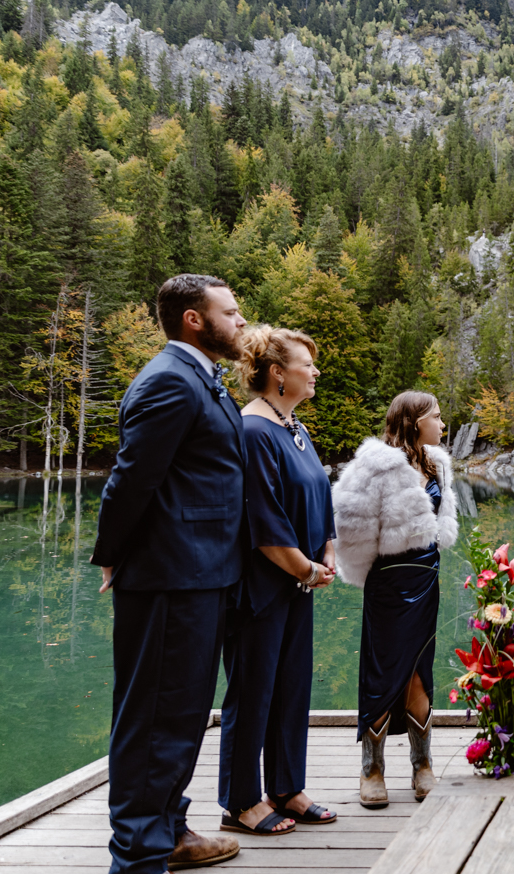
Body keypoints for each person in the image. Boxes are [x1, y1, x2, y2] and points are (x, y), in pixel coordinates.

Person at [91, 274, 247, 874]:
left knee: (179, 715)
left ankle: (170, 829)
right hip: (167, 579)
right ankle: (137, 854)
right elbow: (131, 481)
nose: (240, 322)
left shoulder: (200, 379)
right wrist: (112, 553)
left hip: (201, 575)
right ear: (193, 320)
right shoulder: (167, 383)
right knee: (155, 718)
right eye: (229, 313)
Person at [217, 326, 337, 836]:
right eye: (306, 364)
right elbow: (262, 519)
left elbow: (319, 496)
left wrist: (326, 550)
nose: (314, 372)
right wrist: (304, 566)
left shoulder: (294, 427)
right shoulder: (252, 430)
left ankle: (286, 787)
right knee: (253, 691)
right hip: (261, 588)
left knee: (292, 687)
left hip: (299, 583)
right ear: (276, 373)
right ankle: (241, 801)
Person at [332, 391, 459, 807]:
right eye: (436, 417)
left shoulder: (437, 463)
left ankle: (422, 765)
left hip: (427, 579)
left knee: (420, 670)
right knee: (383, 671)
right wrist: (372, 572)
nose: (443, 424)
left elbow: (439, 524)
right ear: (413, 420)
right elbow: (349, 529)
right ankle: (372, 769)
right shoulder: (374, 469)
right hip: (388, 584)